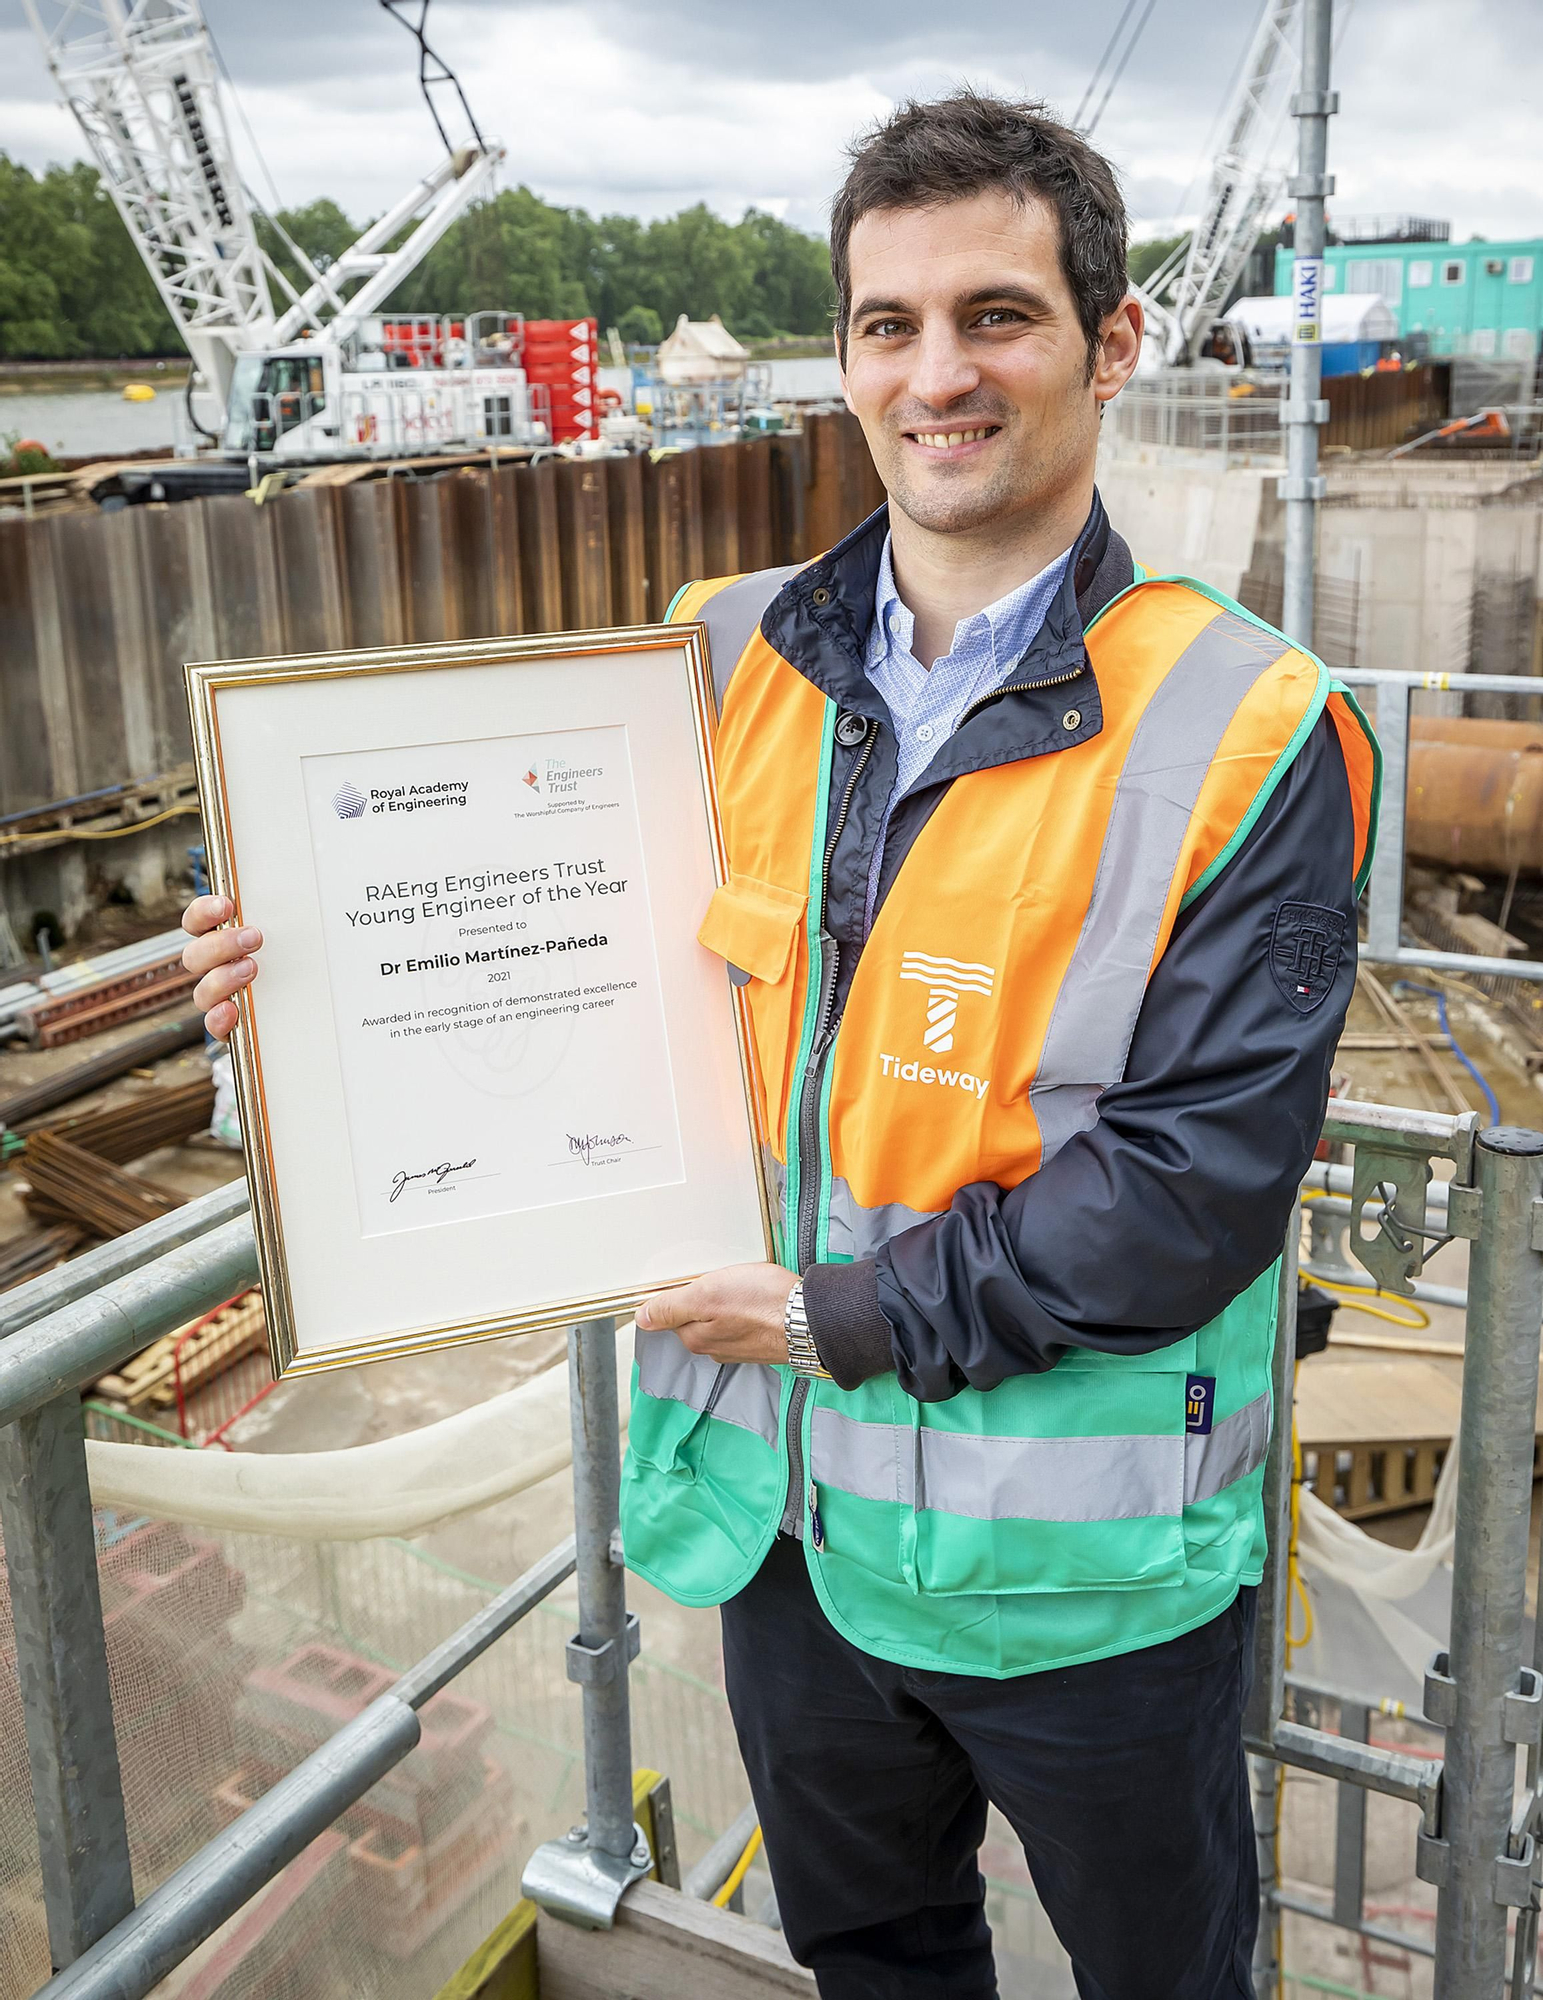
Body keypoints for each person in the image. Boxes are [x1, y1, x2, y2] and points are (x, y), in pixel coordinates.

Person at [183, 91, 1377, 2000]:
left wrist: (837, 1315)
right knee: (875, 1968)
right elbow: (554, 1009)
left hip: (1079, 1592)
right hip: (787, 1544)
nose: (937, 375)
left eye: (997, 315)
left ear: (1114, 340)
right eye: (886, 326)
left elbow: (1190, 1191)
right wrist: (298, 1001)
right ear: (840, 356)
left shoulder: (1250, 727)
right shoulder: (714, 661)